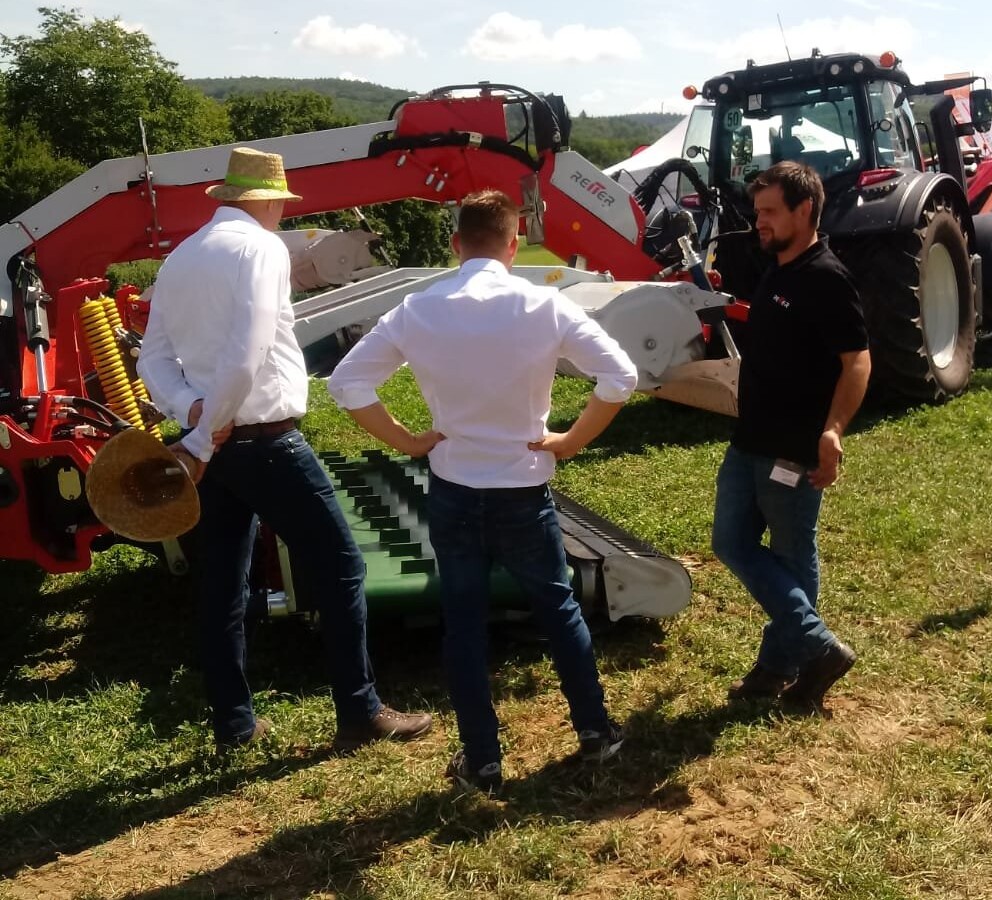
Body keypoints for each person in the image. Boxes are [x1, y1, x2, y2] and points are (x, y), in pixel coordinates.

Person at [327, 189, 638, 794]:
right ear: (513, 242)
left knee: (463, 624)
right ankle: (596, 733)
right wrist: (571, 439)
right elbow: (620, 375)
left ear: (455, 244)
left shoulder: (418, 309)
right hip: (523, 489)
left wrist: (407, 441)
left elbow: (346, 383)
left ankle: (482, 761)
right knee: (558, 608)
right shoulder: (542, 304)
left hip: (454, 489)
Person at [138, 147, 433, 752]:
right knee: (341, 565)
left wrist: (193, 413)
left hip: (216, 447)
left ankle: (235, 723)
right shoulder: (264, 247)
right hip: (263, 441)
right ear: (270, 200)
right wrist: (201, 434)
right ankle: (359, 712)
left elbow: (152, 359)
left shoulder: (179, 258)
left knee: (223, 582)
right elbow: (246, 356)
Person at [712, 161, 871, 713]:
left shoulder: (826, 276)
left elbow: (857, 360)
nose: (759, 221)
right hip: (749, 437)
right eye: (757, 212)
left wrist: (832, 430)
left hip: (791, 447)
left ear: (804, 211)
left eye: (770, 211)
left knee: (791, 553)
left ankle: (787, 665)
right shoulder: (777, 266)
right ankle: (812, 649)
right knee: (730, 543)